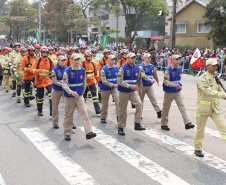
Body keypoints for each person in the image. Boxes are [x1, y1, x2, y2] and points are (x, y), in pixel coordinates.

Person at [194, 58, 226, 157]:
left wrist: (223, 94)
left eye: (216, 65)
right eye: (213, 65)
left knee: (224, 128)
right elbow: (208, 91)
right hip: (203, 108)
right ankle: (198, 148)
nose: (215, 67)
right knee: (200, 129)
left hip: (215, 108)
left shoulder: (215, 78)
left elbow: (220, 90)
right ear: (207, 66)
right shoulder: (202, 78)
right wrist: (223, 95)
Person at [117, 52, 154, 136]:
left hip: (133, 91)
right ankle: (121, 127)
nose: (133, 59)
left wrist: (140, 91)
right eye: (132, 58)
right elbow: (119, 81)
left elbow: (139, 80)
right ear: (128, 59)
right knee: (122, 109)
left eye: (134, 58)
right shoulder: (122, 68)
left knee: (139, 104)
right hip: (124, 91)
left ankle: (137, 124)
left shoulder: (137, 68)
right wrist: (130, 86)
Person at [62, 53, 97, 141]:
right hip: (69, 96)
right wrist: (71, 92)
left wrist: (82, 91)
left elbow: (84, 82)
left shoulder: (83, 70)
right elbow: (64, 85)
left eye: (78, 59)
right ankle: (67, 132)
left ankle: (89, 132)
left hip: (79, 96)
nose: (77, 61)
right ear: (72, 60)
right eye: (75, 60)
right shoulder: (67, 71)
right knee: (68, 115)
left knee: (84, 112)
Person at [161, 55, 195, 131]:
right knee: (166, 108)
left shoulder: (180, 68)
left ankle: (187, 123)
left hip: (177, 91)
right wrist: (174, 85)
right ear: (172, 60)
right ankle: (164, 124)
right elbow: (166, 81)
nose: (178, 61)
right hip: (169, 92)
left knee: (182, 106)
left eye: (179, 59)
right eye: (176, 59)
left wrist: (177, 86)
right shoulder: (168, 70)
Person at [31, 46, 55, 116]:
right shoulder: (37, 61)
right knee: (40, 97)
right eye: (43, 52)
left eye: (46, 52)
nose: (45, 54)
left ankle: (52, 112)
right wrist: (40, 71)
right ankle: (40, 110)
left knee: (51, 95)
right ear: (41, 53)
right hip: (39, 81)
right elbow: (32, 70)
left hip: (48, 81)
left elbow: (54, 69)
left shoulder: (50, 61)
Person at [140, 53, 162, 118]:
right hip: (142, 86)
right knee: (140, 101)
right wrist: (150, 80)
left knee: (153, 99)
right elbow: (143, 75)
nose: (149, 59)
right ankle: (139, 114)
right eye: (147, 57)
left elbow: (155, 74)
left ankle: (159, 112)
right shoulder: (141, 66)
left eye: (150, 57)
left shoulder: (152, 66)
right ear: (144, 58)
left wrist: (157, 80)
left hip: (149, 86)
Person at [100, 54, 119, 123]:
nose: (113, 61)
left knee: (118, 101)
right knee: (105, 103)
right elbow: (104, 81)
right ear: (108, 60)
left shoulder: (117, 68)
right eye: (111, 59)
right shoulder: (104, 69)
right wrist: (113, 84)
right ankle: (103, 117)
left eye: (114, 59)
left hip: (114, 88)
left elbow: (118, 77)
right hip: (105, 88)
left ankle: (118, 116)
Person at [51, 55, 68, 128]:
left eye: (64, 60)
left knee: (68, 107)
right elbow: (54, 81)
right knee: (55, 107)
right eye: (62, 60)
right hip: (56, 90)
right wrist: (63, 85)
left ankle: (69, 122)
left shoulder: (67, 69)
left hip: (65, 90)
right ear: (58, 61)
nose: (63, 62)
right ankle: (55, 122)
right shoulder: (54, 69)